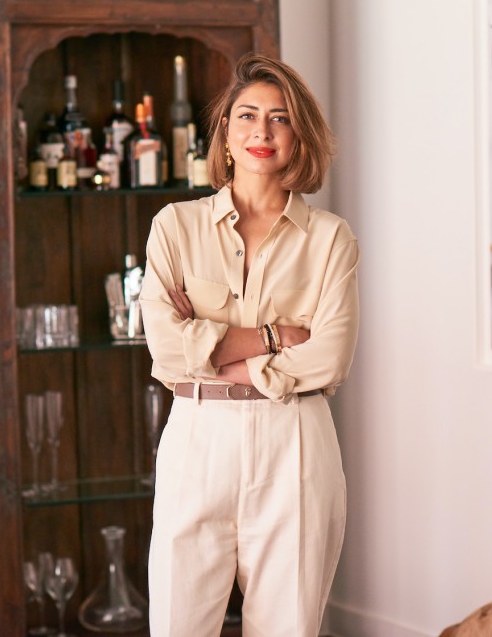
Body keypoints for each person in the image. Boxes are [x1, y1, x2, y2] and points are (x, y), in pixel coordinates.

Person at [139, 53, 360, 637]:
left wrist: (214, 355)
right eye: (247, 116)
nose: (262, 131)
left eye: (280, 118)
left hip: (296, 445)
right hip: (198, 441)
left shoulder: (331, 239)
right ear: (226, 135)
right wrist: (272, 339)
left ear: (299, 136)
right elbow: (164, 348)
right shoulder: (174, 227)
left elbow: (330, 355)